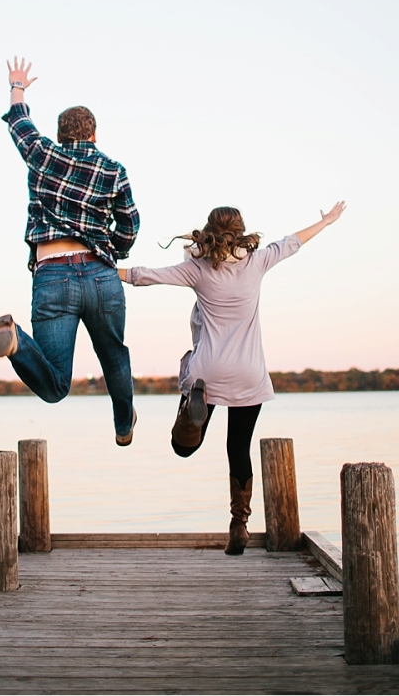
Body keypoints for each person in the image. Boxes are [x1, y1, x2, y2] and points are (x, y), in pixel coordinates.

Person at [120, 202, 346, 554]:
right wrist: (327, 221)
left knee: (183, 448)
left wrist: (99, 269)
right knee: (238, 448)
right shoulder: (258, 261)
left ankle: (190, 413)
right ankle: (239, 526)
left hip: (207, 372)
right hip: (248, 373)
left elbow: (145, 275)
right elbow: (293, 242)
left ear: (209, 230)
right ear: (240, 231)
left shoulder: (197, 268)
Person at [0, 58, 141, 445]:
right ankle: (124, 424)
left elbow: (20, 124)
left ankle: (17, 342)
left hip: (53, 275)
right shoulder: (113, 170)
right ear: (94, 134)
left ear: (59, 134)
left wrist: (17, 86)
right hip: (101, 275)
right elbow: (130, 225)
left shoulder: (43, 155)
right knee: (114, 357)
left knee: (56, 384)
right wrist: (113, 253)